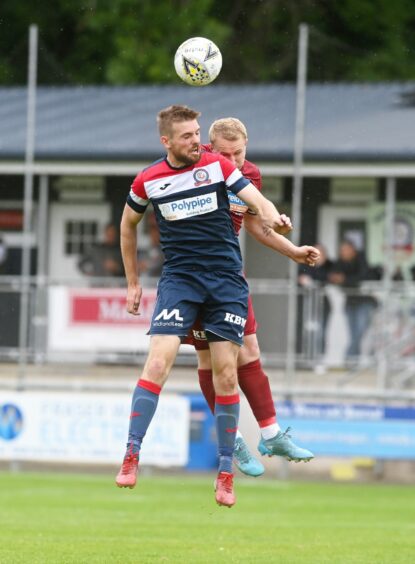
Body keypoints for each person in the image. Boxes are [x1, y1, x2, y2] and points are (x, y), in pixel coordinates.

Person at [115, 105, 292, 508]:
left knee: (228, 374)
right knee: (157, 362)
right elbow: (127, 224)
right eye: (188, 136)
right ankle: (131, 453)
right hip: (180, 279)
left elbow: (254, 200)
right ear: (167, 142)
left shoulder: (218, 166)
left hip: (226, 281)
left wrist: (274, 216)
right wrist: (132, 283)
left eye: (198, 133)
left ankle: (226, 472)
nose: (197, 141)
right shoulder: (149, 180)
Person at [183, 118, 317, 477]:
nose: (232, 160)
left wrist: (293, 251)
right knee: (211, 364)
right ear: (209, 149)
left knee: (251, 351)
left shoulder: (249, 175)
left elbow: (258, 224)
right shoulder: (194, 169)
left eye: (238, 153)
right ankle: (232, 438)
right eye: (223, 154)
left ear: (246, 147)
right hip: (192, 276)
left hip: (229, 275)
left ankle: (271, 434)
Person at [328, 240, 377, 364]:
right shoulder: (340, 262)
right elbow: (333, 276)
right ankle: (352, 360)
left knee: (360, 331)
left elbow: (363, 276)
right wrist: (340, 279)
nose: (343, 253)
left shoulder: (361, 259)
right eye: (341, 250)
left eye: (346, 250)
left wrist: (345, 279)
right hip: (350, 302)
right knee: (353, 333)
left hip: (365, 302)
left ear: (353, 250)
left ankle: (349, 357)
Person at [298, 243, 333, 358]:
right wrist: (302, 280)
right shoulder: (306, 265)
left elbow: (328, 278)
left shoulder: (330, 266)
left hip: (323, 305)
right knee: (308, 331)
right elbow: (296, 277)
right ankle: (308, 358)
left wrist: (312, 281)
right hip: (309, 304)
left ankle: (319, 358)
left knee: (320, 332)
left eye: (320, 253)